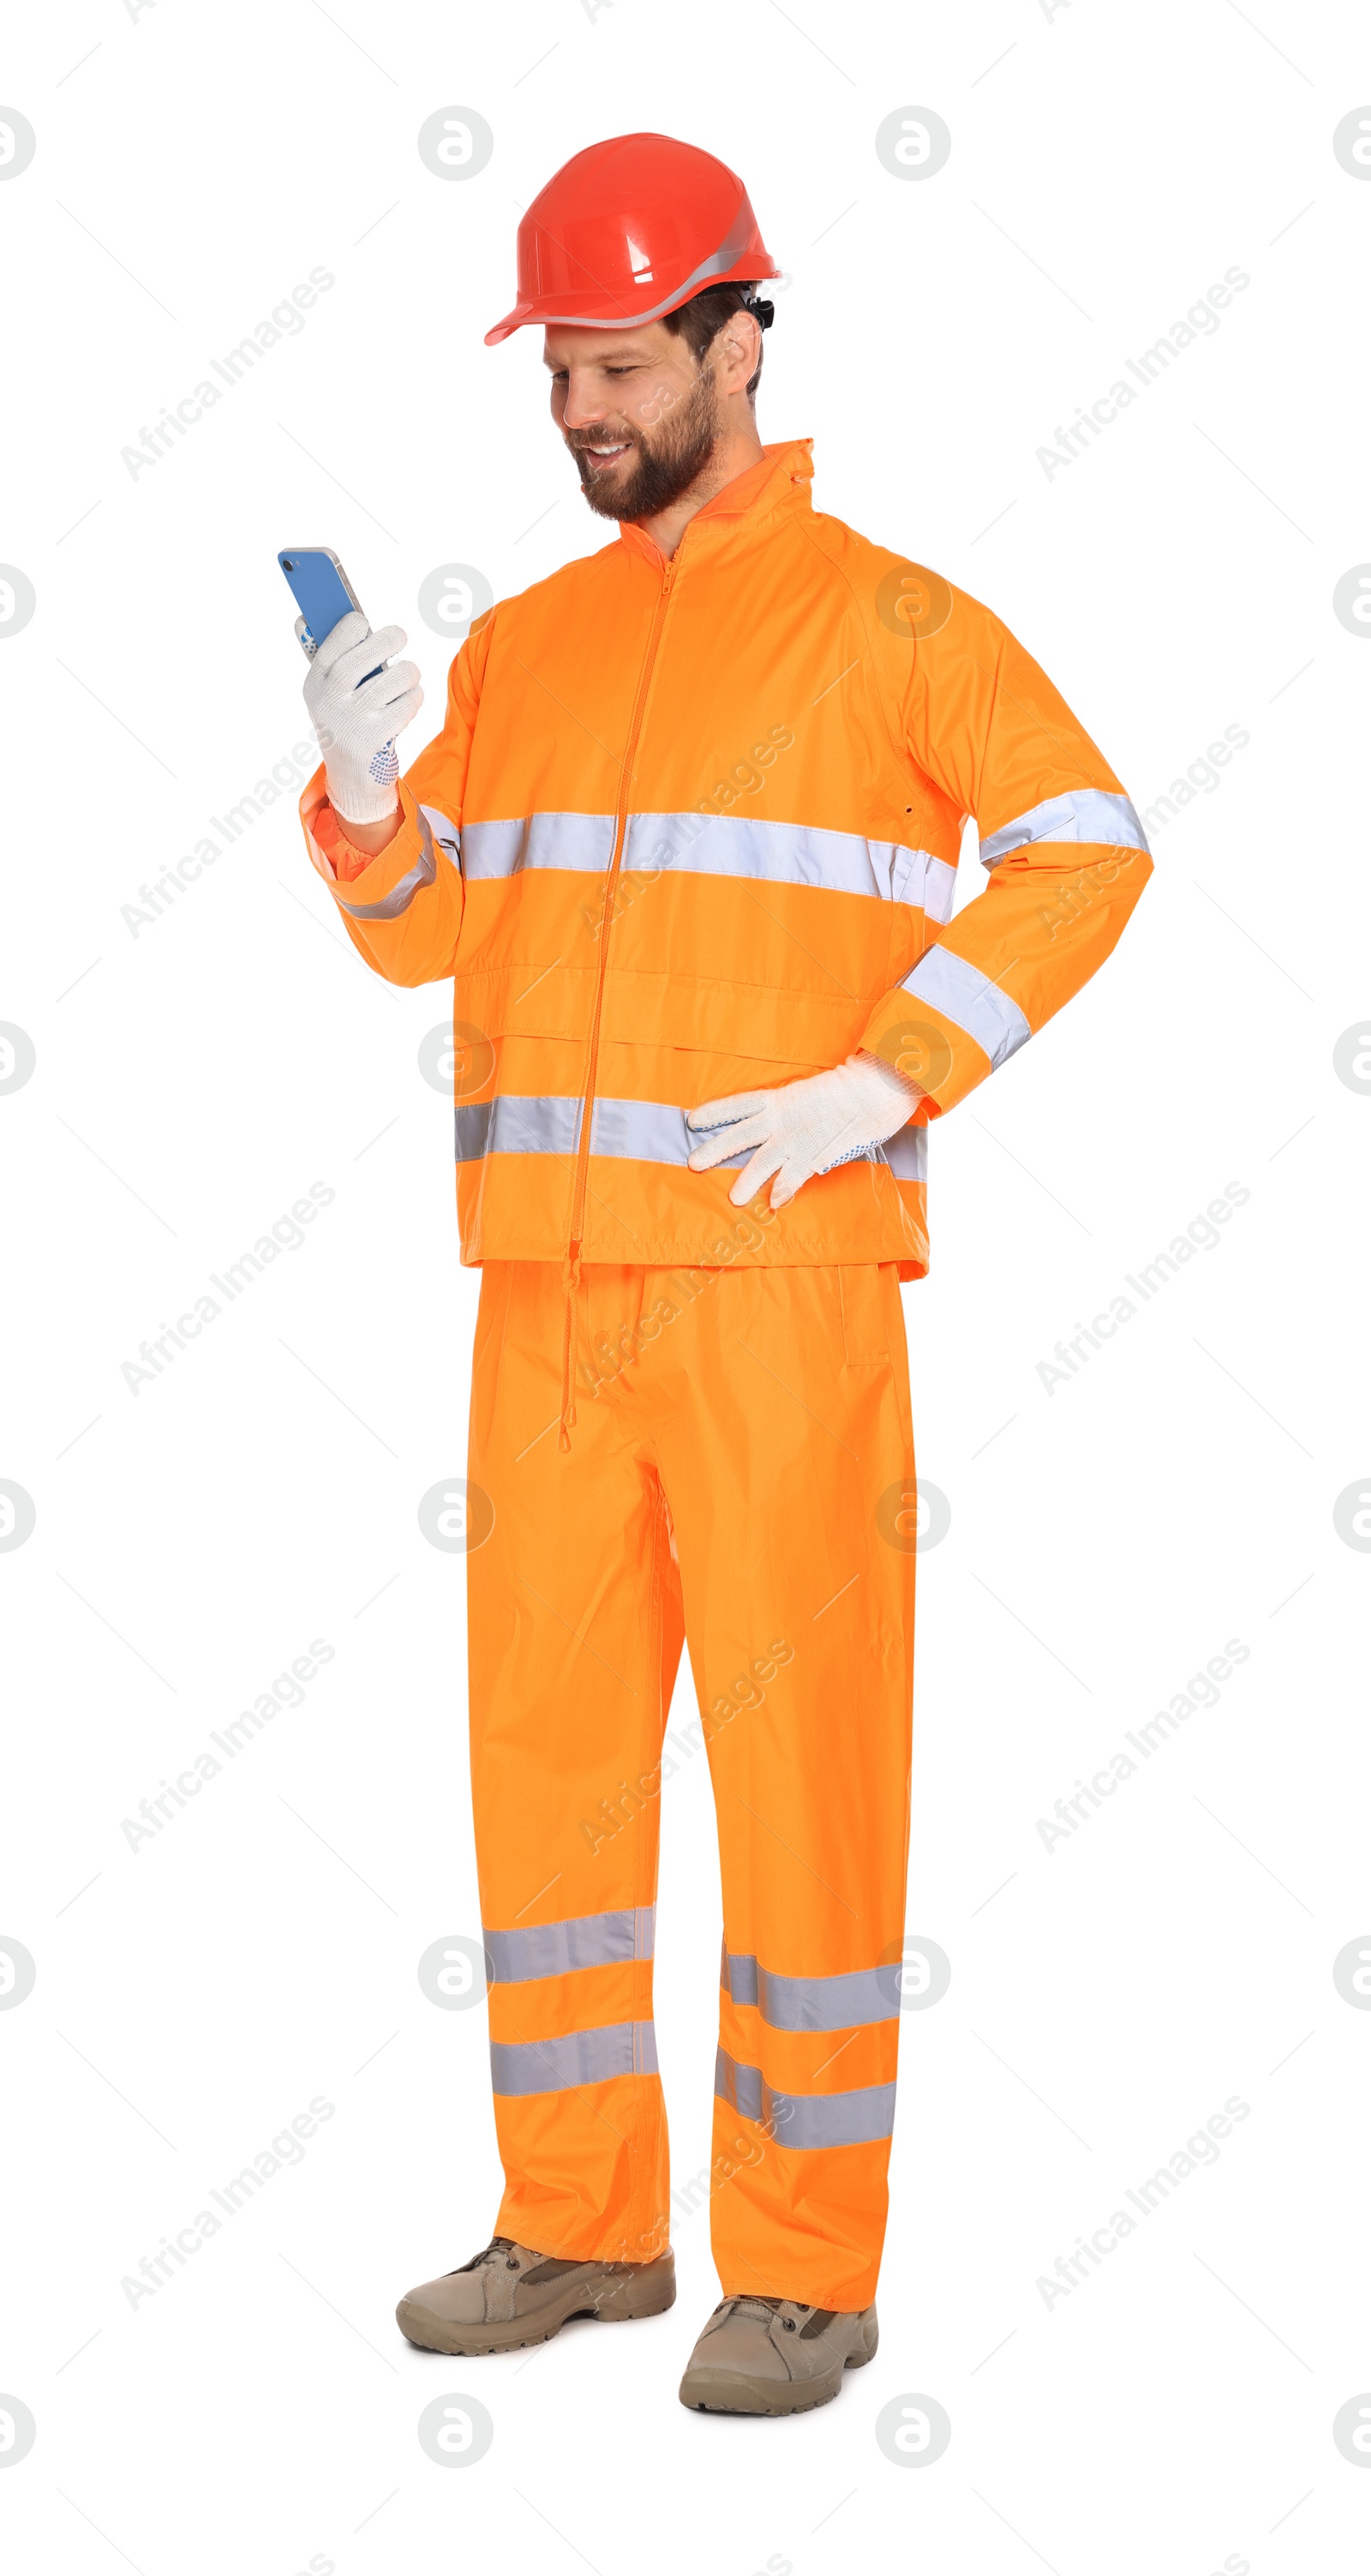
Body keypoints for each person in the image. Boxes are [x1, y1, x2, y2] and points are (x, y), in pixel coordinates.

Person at [295, 132, 1152, 2418]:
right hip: (548, 1299)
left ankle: (801, 2265)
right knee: (548, 1779)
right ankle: (579, 2226)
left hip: (780, 1288)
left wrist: (894, 1078)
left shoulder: (888, 621)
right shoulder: (537, 645)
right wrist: (368, 801)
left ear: (737, 342)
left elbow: (1092, 841)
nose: (583, 405)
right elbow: (429, 938)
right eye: (558, 368)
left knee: (801, 1776)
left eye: (618, 362)